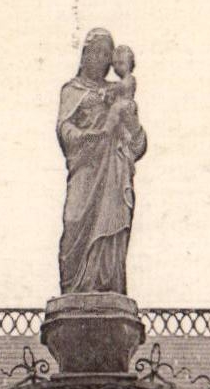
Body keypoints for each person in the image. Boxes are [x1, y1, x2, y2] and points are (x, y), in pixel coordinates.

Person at [56, 29, 147, 295]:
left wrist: (132, 123)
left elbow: (137, 144)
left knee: (111, 230)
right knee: (74, 222)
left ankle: (107, 288)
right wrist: (86, 136)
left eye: (106, 54)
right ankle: (74, 290)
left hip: (113, 171)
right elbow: (64, 129)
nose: (101, 59)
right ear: (85, 54)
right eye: (95, 52)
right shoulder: (72, 90)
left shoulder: (117, 92)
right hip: (85, 167)